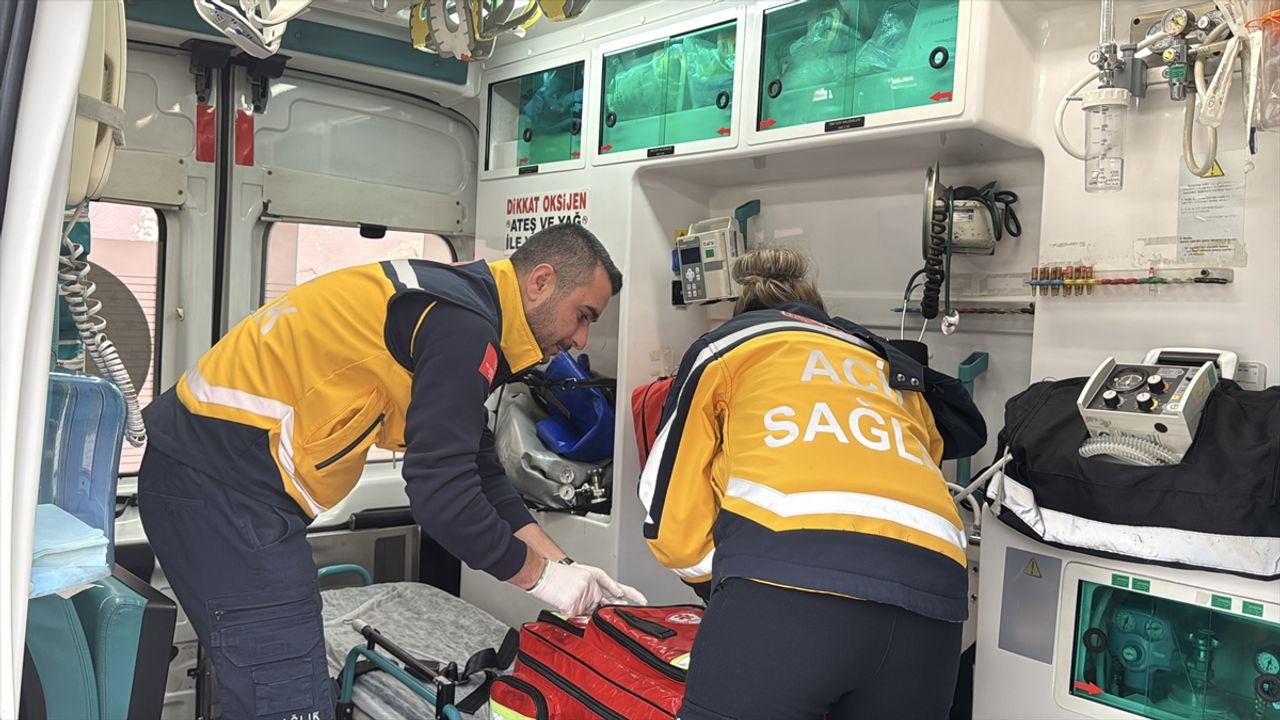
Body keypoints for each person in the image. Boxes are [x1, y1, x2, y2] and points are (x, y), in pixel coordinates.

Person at [138, 223, 646, 720]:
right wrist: (541, 580)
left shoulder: (465, 306)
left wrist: (565, 566)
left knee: (289, 686)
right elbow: (442, 497)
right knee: (287, 698)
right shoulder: (467, 327)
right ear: (540, 282)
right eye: (583, 315)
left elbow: (477, 465)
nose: (581, 339)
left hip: (213, 478)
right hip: (221, 488)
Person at [640, 248, 985, 720]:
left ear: (747, 311)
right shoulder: (887, 364)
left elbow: (670, 519)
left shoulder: (728, 348)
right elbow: (924, 462)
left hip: (785, 591)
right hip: (934, 598)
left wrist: (723, 582)